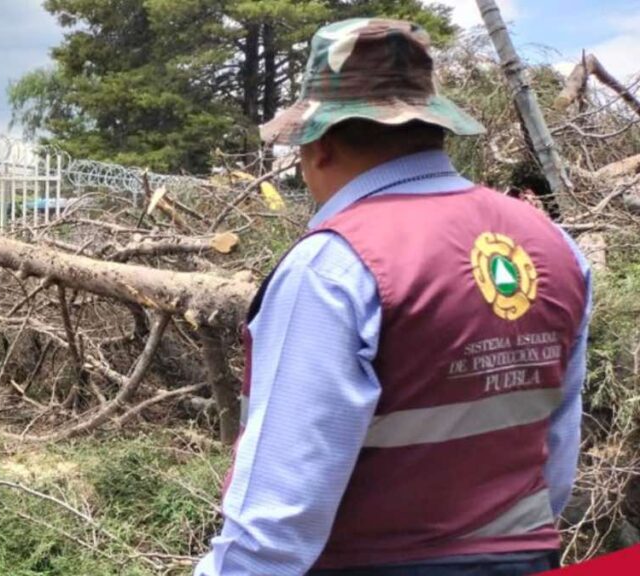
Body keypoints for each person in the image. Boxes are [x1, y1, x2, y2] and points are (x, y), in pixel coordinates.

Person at [196, 19, 591, 576]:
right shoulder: (553, 247)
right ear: (434, 129)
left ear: (320, 144)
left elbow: (274, 525)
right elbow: (556, 462)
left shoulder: (333, 268)